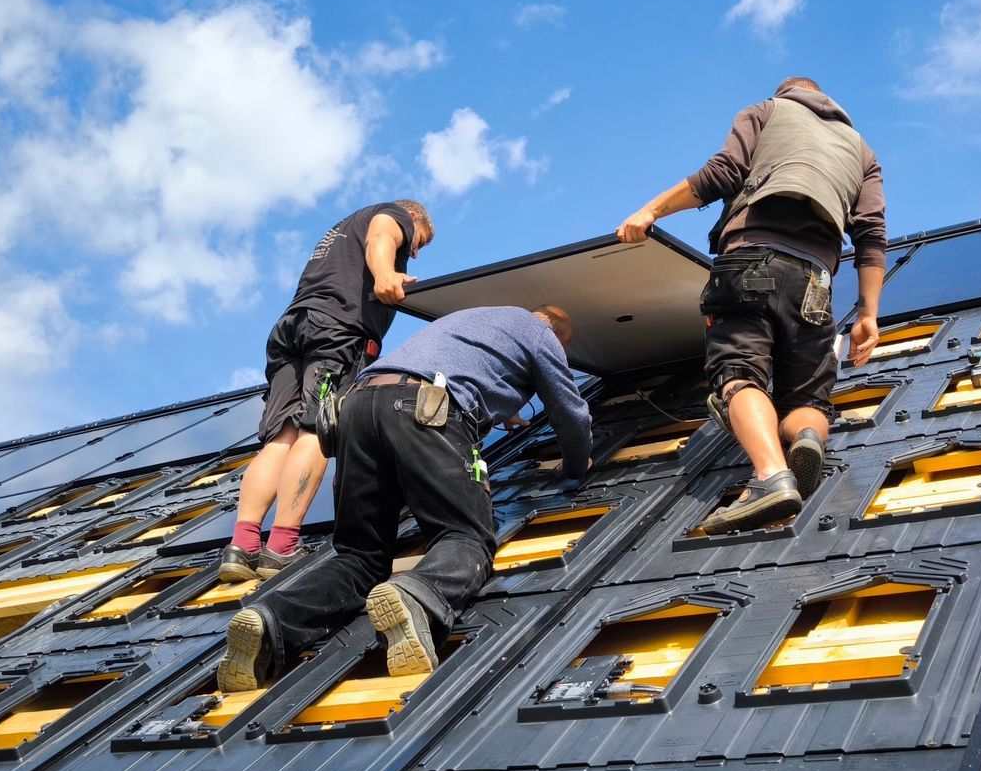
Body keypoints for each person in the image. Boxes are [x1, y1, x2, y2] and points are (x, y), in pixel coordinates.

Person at [216, 304, 592, 692]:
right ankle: (417, 595)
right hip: (423, 408)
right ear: (554, 331)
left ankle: (271, 619)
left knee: (358, 557)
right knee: (464, 537)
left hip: (358, 408)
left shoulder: (469, 319)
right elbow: (570, 411)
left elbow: (461, 365)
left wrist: (505, 404)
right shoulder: (540, 331)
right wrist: (577, 465)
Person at [616, 76, 886, 532]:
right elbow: (871, 235)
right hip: (816, 279)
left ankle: (769, 476)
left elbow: (723, 172)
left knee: (738, 373)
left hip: (751, 256)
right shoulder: (863, 151)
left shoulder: (768, 110)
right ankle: (803, 439)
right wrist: (868, 316)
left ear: (786, 94)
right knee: (808, 396)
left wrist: (651, 210)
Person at [221, 200, 435, 584]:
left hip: (292, 328)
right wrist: (387, 273)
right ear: (414, 218)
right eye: (420, 242)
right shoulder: (392, 215)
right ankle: (282, 546)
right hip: (337, 332)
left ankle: (242, 545)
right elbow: (383, 234)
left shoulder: (340, 233)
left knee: (279, 439)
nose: (415, 253)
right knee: (317, 431)